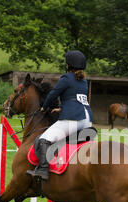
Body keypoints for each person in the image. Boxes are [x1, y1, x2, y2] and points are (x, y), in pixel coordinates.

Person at [27, 50, 94, 181]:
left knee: (43, 139)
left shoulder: (66, 78)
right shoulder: (84, 82)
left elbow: (53, 94)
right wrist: (61, 108)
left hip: (74, 119)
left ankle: (43, 170)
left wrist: (44, 106)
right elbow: (75, 99)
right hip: (88, 119)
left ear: (68, 65)